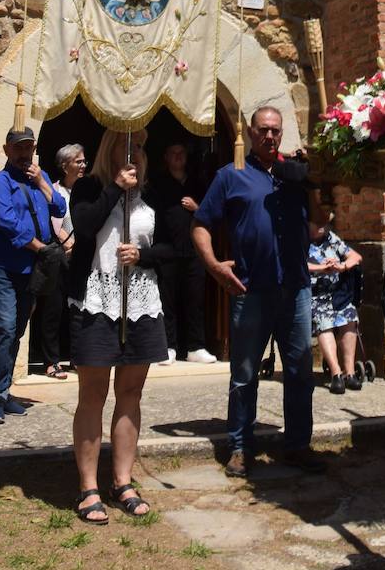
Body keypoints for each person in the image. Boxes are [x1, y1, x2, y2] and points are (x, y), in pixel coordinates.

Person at [192, 105, 325, 478]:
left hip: (295, 288)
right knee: (244, 373)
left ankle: (298, 445)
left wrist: (312, 181)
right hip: (251, 290)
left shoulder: (293, 175)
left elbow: (319, 226)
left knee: (299, 372)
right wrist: (216, 267)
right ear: (251, 133)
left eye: (276, 131)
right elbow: (201, 224)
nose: (270, 136)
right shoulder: (230, 175)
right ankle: (240, 446)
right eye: (263, 130)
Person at [67, 128, 172, 524]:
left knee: (131, 392)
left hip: (142, 303)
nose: (137, 155)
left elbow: (173, 247)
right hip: (97, 301)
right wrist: (114, 187)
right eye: (129, 147)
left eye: (142, 148)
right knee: (92, 394)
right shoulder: (89, 188)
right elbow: (86, 225)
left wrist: (143, 255)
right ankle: (88, 486)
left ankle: (123, 480)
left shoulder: (154, 194)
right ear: (110, 150)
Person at [0, 126, 66, 424]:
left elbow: (60, 207)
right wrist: (42, 248)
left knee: (16, 330)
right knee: (4, 327)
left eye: (28, 148)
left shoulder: (35, 182)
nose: (23, 153)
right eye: (17, 148)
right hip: (3, 268)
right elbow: (10, 225)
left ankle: (3, 392)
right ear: (6, 150)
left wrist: (43, 182)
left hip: (31, 270)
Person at [150, 141, 216, 365]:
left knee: (194, 300)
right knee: (167, 300)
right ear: (166, 157)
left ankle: (195, 347)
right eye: (173, 153)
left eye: (181, 153)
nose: (178, 157)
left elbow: (213, 212)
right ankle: (168, 347)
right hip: (167, 249)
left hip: (194, 251)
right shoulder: (156, 184)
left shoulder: (198, 183)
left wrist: (197, 208)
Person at [34, 142, 86, 379]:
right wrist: (69, 244)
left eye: (84, 161)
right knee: (53, 310)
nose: (84, 165)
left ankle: (78, 358)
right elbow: (54, 222)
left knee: (80, 310)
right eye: (79, 161)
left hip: (82, 258)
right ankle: (52, 361)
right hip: (60, 256)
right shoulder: (54, 191)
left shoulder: (87, 191)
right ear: (65, 166)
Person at [308, 221, 362, 394]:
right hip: (314, 297)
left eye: (324, 222)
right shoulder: (301, 242)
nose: (321, 225)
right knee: (324, 321)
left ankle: (350, 373)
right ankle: (336, 374)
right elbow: (298, 265)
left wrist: (341, 266)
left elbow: (356, 257)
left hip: (337, 296)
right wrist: (323, 268)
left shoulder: (332, 239)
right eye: (317, 223)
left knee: (349, 316)